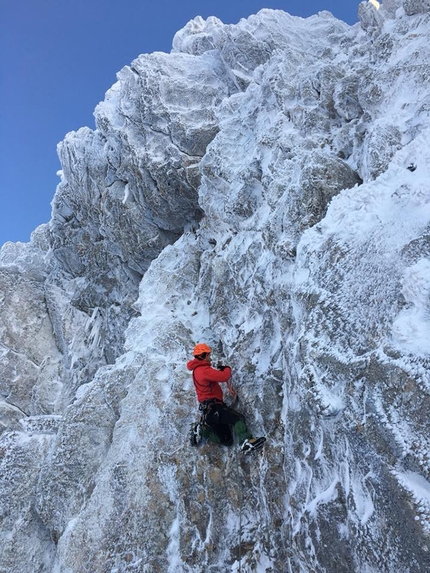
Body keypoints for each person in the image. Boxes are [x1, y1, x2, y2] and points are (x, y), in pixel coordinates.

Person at [187, 343, 266, 454]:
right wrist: (227, 368)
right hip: (215, 407)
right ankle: (246, 441)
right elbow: (224, 376)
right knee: (237, 418)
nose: (210, 357)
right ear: (203, 356)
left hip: (208, 412)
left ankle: (204, 431)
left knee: (227, 440)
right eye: (208, 355)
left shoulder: (197, 371)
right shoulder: (203, 370)